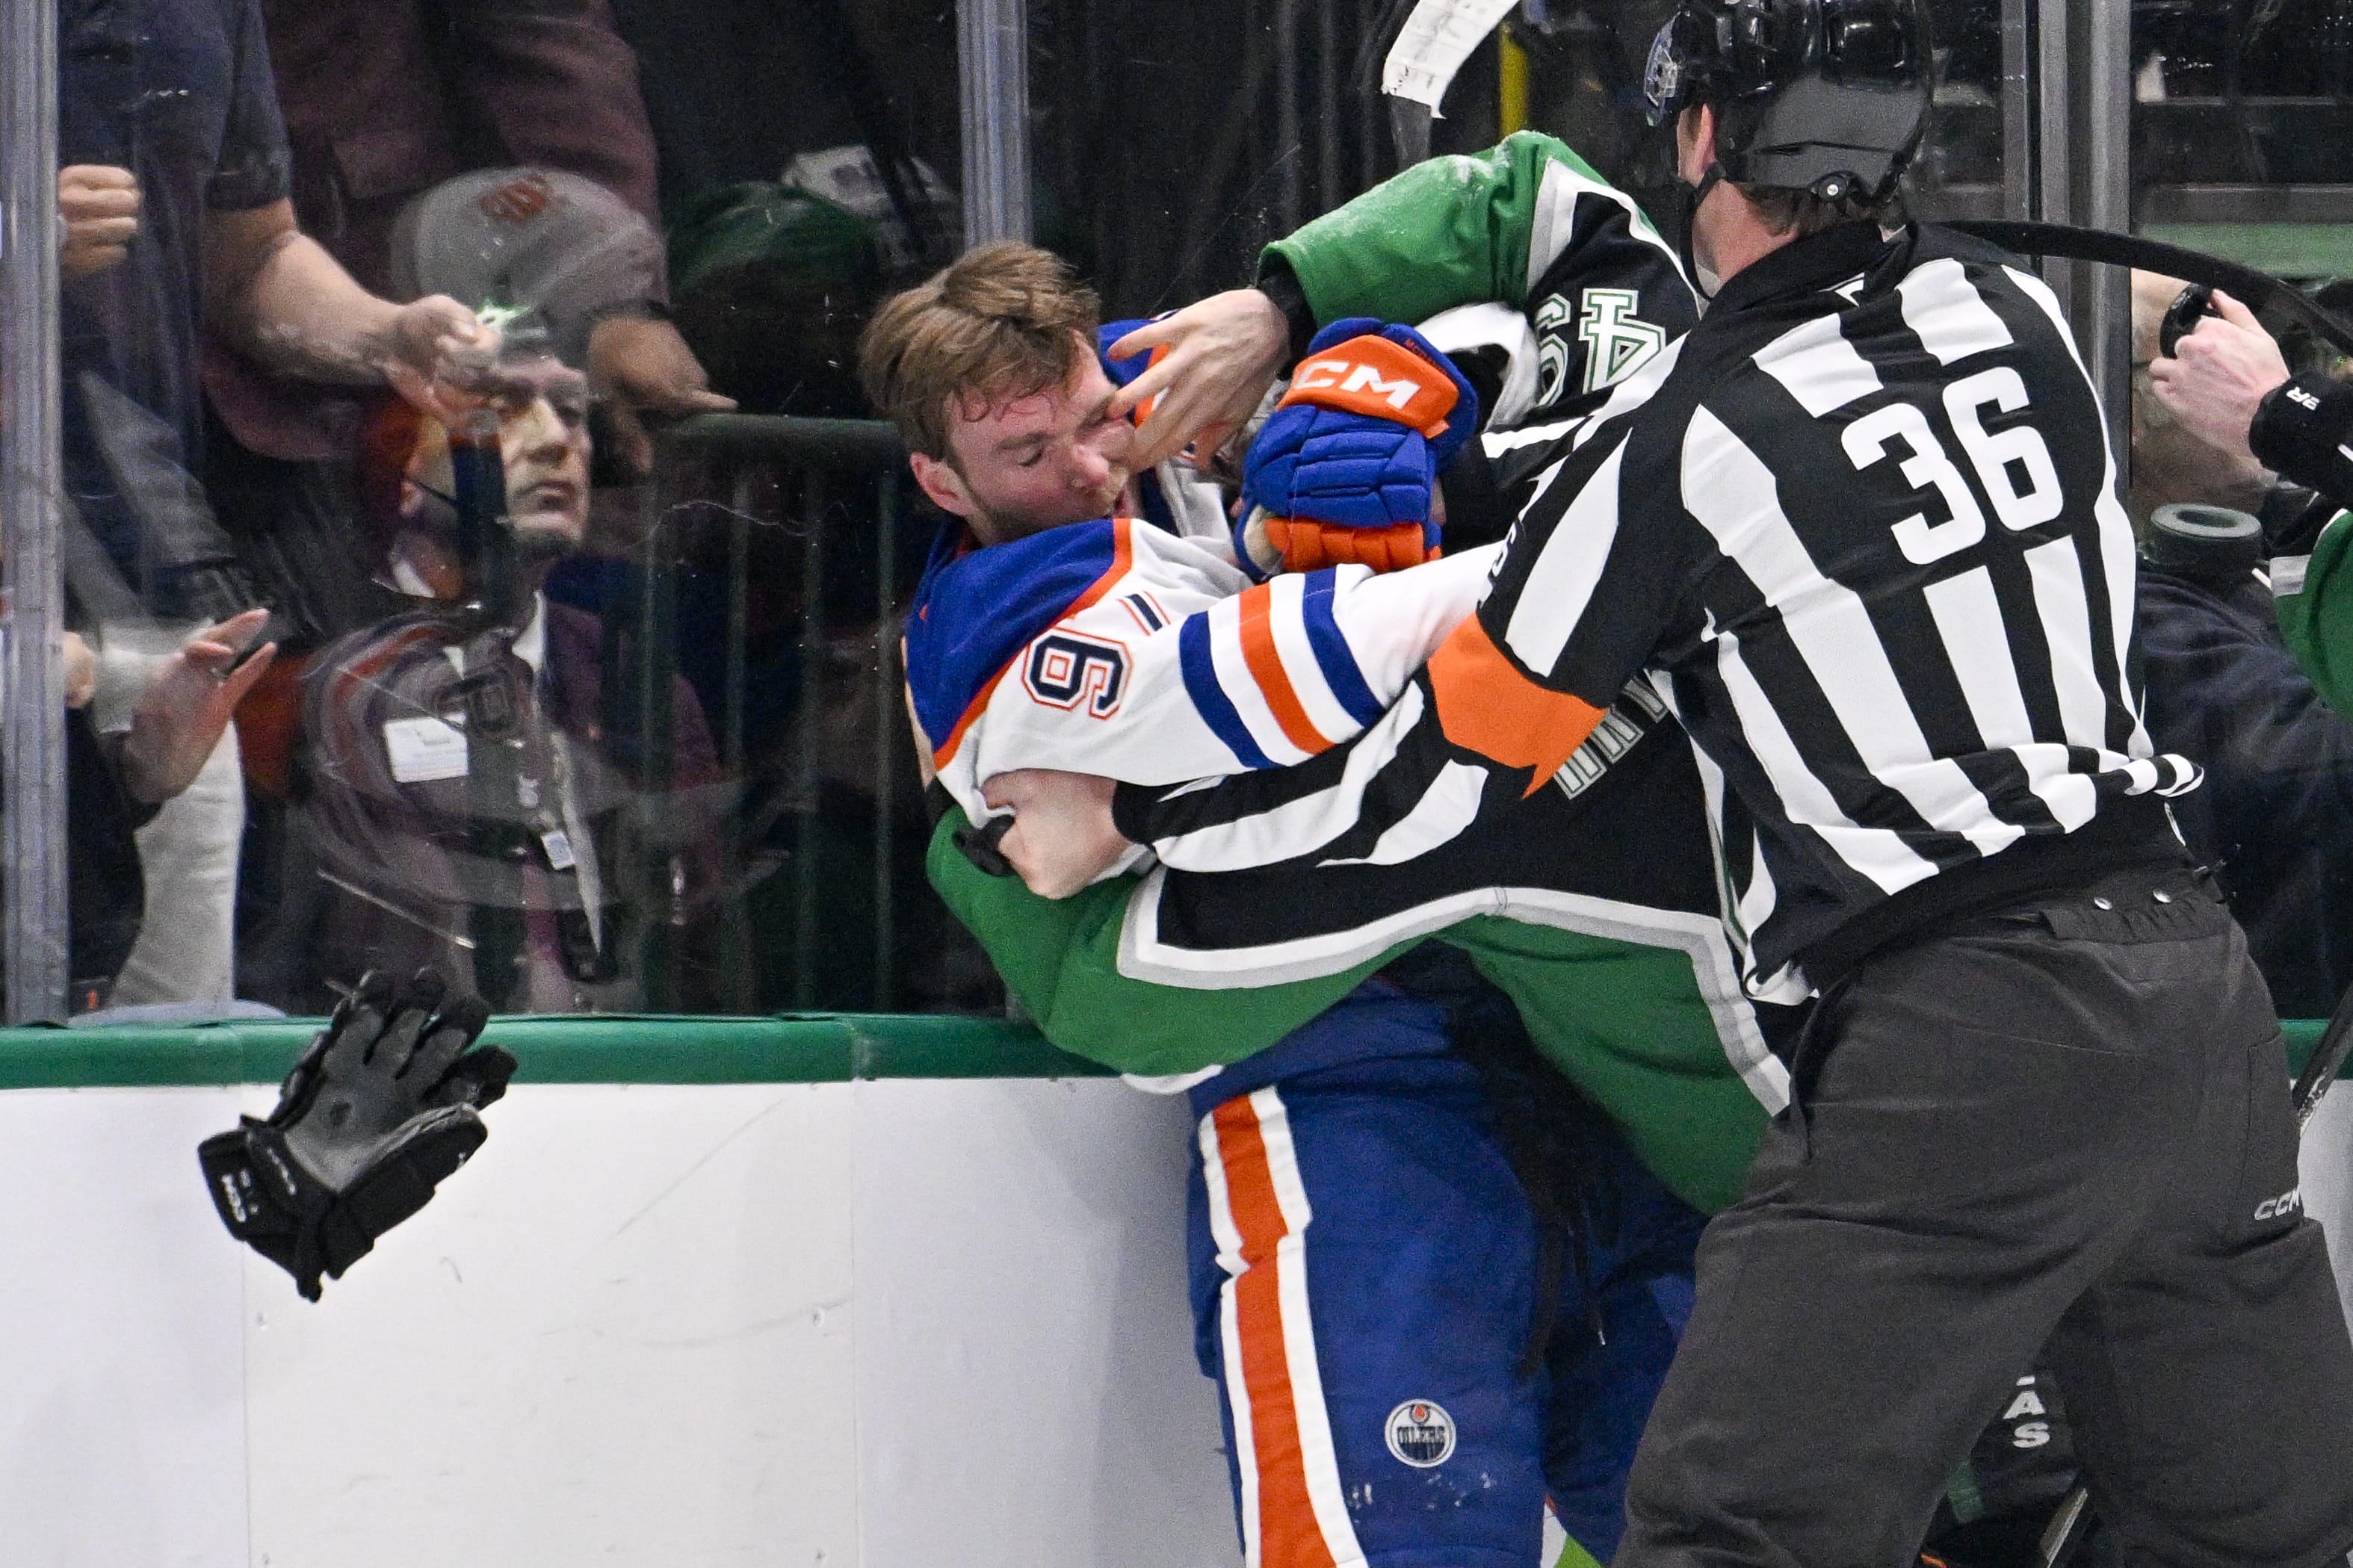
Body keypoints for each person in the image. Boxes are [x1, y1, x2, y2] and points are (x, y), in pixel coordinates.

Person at [989, 4, 2353, 1564]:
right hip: (2195, 996)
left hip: (1961, 1035)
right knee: (2253, 1532)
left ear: (1699, 138)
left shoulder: (1684, 425)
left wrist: (1140, 811)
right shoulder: (2015, 313)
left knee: (1733, 1531)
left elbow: (1453, 768)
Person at [868, 242, 1713, 1567]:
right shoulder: (997, 628)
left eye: (1094, 418)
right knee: (1399, 1540)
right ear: (939, 480)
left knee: (1754, 1515)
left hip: (1561, 1046)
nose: (1089, 468)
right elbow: (1314, 673)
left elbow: (1494, 279)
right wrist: (1598, 551)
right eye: (1029, 455)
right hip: (1345, 1092)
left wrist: (1349, 357)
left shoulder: (1151, 394)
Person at [55, 0, 499, 1009]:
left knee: (162, 1081)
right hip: (39, 588)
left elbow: (251, 253)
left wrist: (383, 333)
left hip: (146, 591)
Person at [291, 331, 720, 1013]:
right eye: (506, 408)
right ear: (402, 468)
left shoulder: (642, 687)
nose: (555, 442)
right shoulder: (331, 680)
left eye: (574, 414)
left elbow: (706, 960)